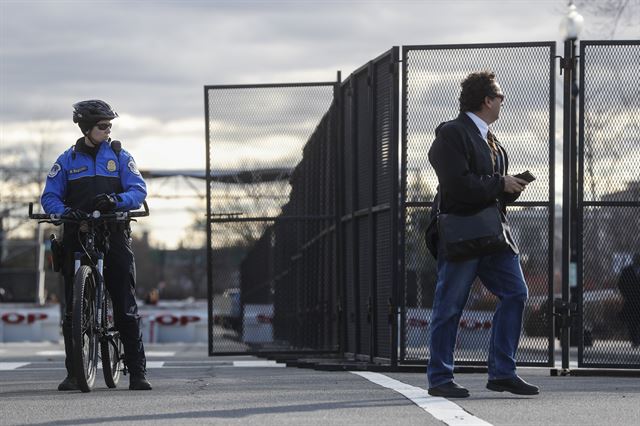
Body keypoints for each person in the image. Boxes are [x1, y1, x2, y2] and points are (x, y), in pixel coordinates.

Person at [425, 71, 538, 398]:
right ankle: (440, 378)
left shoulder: (493, 140)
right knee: (449, 306)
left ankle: (503, 372)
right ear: (487, 100)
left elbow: (488, 186)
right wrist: (498, 183)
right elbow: (457, 184)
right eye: (500, 96)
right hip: (463, 233)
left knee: (516, 293)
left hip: (492, 233)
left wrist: (510, 186)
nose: (503, 101)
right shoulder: (452, 134)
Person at [41, 100, 151, 391]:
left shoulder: (119, 156)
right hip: (77, 232)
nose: (108, 130)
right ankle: (74, 373)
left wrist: (117, 201)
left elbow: (138, 190)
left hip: (113, 232)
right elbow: (49, 196)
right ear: (86, 128)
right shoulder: (67, 160)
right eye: (103, 126)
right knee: (72, 309)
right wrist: (65, 211)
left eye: (109, 125)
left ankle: (137, 371)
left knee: (125, 304)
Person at [617, 253, 640, 347]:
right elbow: (620, 284)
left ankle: (636, 339)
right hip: (631, 300)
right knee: (632, 321)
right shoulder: (627, 271)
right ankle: (635, 340)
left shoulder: (627, 270)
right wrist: (627, 294)